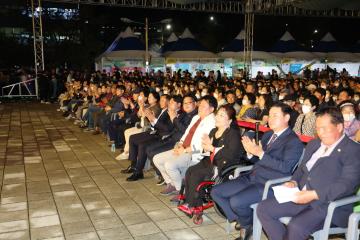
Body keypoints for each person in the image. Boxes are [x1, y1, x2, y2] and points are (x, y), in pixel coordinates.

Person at [257, 107, 360, 240]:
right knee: (264, 208)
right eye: (317, 128)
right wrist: (293, 181)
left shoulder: (353, 150)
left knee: (296, 227)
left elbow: (347, 184)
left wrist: (314, 194)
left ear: (339, 127)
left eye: (324, 128)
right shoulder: (314, 144)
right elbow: (301, 169)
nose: (320, 132)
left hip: (327, 204)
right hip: (301, 195)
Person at [211, 102, 304, 240]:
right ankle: (246, 222)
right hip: (252, 176)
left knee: (236, 202)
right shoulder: (267, 135)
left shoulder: (293, 142)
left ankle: (246, 224)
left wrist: (260, 153)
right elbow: (256, 160)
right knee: (216, 192)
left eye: (275, 115)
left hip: (269, 184)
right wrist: (250, 153)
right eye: (270, 115)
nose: (270, 119)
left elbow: (286, 168)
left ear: (286, 118)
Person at [178, 105, 246, 213]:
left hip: (221, 165)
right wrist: (206, 148)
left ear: (229, 121)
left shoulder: (233, 134)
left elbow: (231, 154)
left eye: (222, 115)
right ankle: (188, 200)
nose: (217, 117)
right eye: (218, 114)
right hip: (209, 161)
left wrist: (212, 148)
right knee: (190, 170)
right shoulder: (213, 131)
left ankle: (194, 205)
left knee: (197, 174)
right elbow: (207, 152)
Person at [153, 96, 217, 197]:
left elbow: (204, 146)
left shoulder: (212, 122)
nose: (200, 107)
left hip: (194, 153)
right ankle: (171, 183)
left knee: (170, 165)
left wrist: (186, 150)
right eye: (200, 105)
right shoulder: (196, 117)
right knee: (157, 159)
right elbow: (187, 133)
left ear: (212, 109)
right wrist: (180, 144)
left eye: (203, 106)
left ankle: (181, 191)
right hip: (183, 147)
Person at [124, 94, 172, 181]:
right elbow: (153, 123)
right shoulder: (162, 110)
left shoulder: (169, 112)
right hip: (154, 131)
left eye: (162, 100)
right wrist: (151, 119)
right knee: (132, 138)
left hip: (158, 135)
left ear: (168, 102)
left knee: (142, 145)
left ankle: (138, 172)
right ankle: (133, 165)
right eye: (160, 100)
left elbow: (164, 128)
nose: (160, 102)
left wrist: (152, 118)